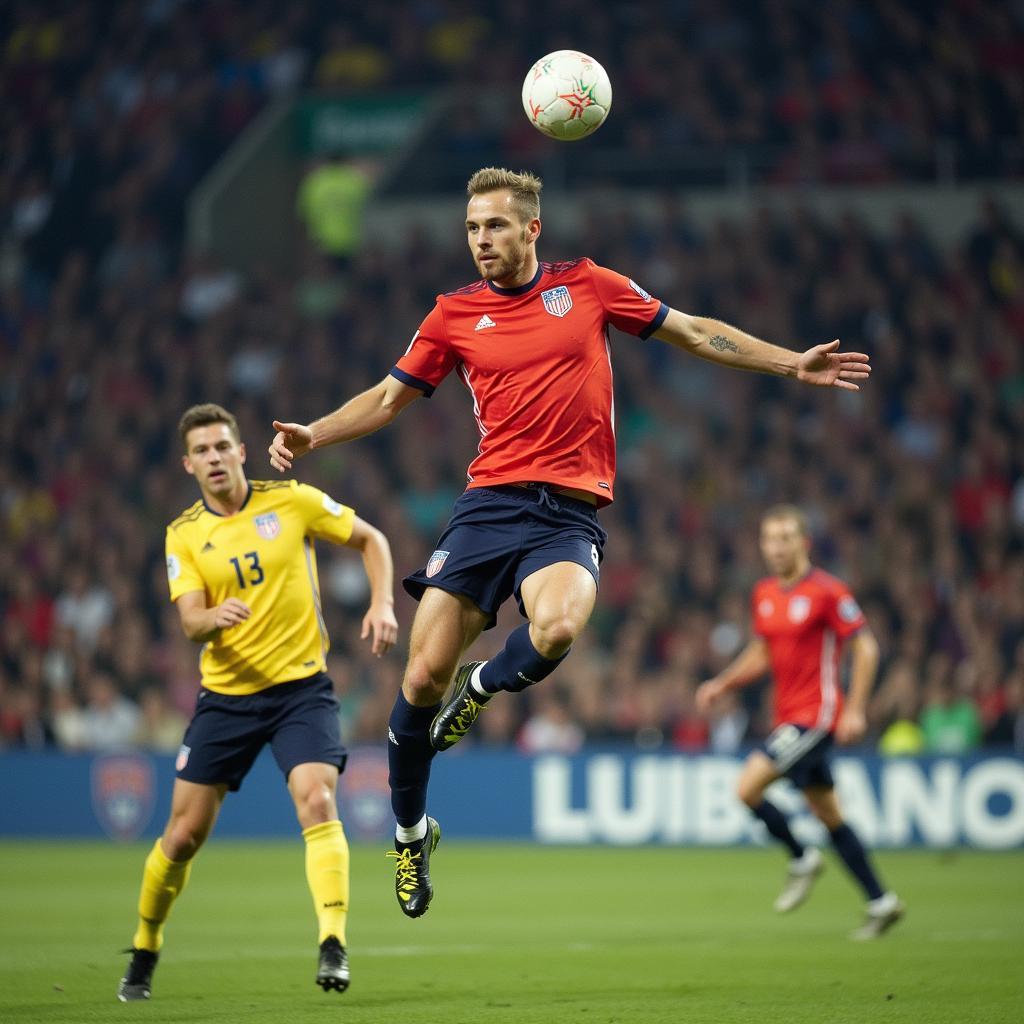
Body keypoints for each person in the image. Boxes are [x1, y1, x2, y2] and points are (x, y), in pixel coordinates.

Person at [268, 167, 872, 919]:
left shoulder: (586, 286)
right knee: (421, 681)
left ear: (531, 230)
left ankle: (483, 687)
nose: (481, 240)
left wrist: (790, 362)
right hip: (487, 509)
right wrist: (314, 431)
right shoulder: (452, 314)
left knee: (555, 628)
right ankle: (409, 836)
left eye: (494, 226)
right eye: (471, 229)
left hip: (566, 514)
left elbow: (689, 330)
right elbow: (390, 398)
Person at [118, 403, 398, 1001]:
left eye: (224, 446)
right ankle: (145, 944)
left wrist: (383, 604)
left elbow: (371, 539)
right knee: (183, 835)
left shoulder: (291, 501)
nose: (215, 458)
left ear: (241, 452)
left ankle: (332, 943)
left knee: (318, 799)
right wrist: (209, 617)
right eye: (203, 451)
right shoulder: (185, 534)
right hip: (227, 696)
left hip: (302, 690)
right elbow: (190, 620)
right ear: (187, 464)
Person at [696, 505, 904, 940]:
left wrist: (855, 709)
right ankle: (881, 901)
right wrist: (724, 683)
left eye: (785, 538)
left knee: (747, 787)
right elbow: (763, 652)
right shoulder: (764, 594)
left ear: (804, 543)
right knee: (830, 814)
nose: (775, 548)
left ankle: (801, 858)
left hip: (817, 715)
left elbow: (865, 648)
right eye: (769, 539)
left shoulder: (828, 592)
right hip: (788, 716)